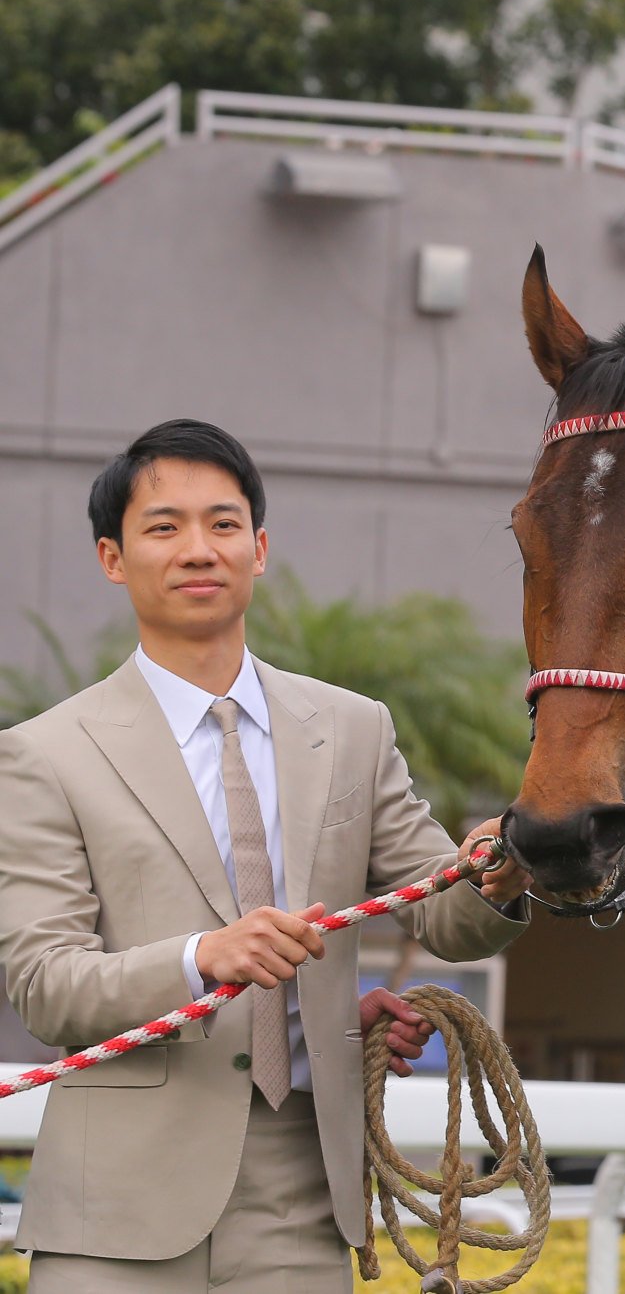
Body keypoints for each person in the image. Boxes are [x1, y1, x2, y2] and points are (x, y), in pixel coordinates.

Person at [0, 419, 531, 1291]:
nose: (198, 549)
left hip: (304, 1196)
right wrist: (201, 959)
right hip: (119, 1213)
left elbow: (451, 916)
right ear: (112, 557)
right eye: (163, 527)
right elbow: (46, 986)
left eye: (223, 522)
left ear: (259, 547)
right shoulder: (46, 753)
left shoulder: (354, 728)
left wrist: (504, 859)